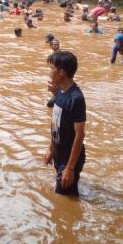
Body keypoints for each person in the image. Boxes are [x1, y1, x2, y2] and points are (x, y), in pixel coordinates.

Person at [44, 51, 86, 195]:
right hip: (59, 153)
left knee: (66, 202)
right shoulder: (60, 92)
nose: (50, 73)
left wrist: (70, 168)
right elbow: (56, 124)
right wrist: (51, 149)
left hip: (69, 158)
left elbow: (80, 135)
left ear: (61, 72)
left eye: (52, 69)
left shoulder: (76, 98)